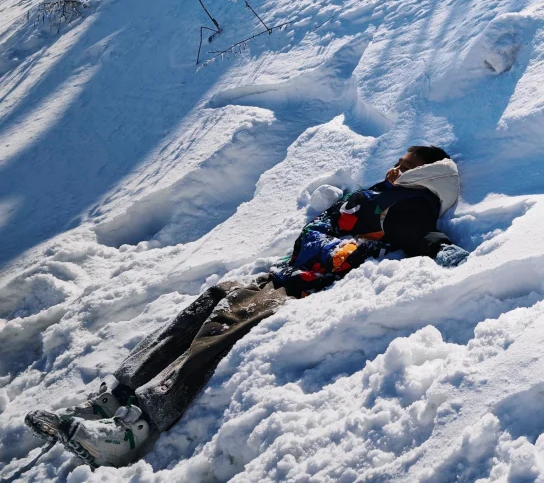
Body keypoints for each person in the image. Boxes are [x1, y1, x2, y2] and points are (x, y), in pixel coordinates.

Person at [25, 145, 470, 468]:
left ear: (427, 175)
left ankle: (132, 429)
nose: (395, 169)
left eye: (406, 166)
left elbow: (420, 234)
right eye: (397, 162)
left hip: (309, 284)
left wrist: (443, 249)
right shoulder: (380, 195)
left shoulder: (412, 202)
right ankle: (115, 398)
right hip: (287, 272)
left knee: (226, 322)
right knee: (214, 299)